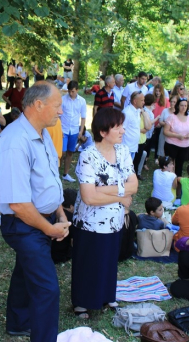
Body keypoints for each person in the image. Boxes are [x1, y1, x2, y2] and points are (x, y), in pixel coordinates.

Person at [0, 82, 70, 342]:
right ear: (38, 105)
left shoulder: (42, 133)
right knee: (48, 290)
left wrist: (59, 213)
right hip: (24, 224)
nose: (61, 111)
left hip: (42, 219)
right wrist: (50, 229)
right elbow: (20, 206)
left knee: (26, 271)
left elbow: (50, 180)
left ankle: (18, 322)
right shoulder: (15, 141)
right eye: (57, 105)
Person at [72, 107, 137, 319]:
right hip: (90, 221)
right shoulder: (88, 156)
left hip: (114, 220)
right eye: (117, 127)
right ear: (103, 132)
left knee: (109, 259)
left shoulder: (123, 151)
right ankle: (82, 302)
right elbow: (89, 197)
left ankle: (107, 296)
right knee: (89, 261)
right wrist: (120, 194)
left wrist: (106, 190)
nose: (122, 131)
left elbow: (134, 185)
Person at [61, 80, 87, 183]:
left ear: (77, 90)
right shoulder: (63, 100)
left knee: (70, 152)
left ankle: (65, 173)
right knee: (62, 152)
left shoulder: (82, 101)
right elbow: (59, 116)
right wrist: (60, 129)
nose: (71, 93)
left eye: (73, 91)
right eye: (69, 91)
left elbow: (83, 117)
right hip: (64, 129)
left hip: (74, 130)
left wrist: (80, 131)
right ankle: (55, 170)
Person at [163, 98, 189, 177]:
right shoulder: (172, 117)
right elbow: (165, 131)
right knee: (170, 164)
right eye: (181, 105)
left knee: (180, 165)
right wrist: (177, 135)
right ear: (178, 106)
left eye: (185, 106)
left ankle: (177, 182)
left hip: (184, 146)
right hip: (172, 144)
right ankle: (169, 180)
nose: (183, 107)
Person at [122, 91, 149, 175]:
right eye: (142, 100)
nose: (144, 102)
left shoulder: (137, 111)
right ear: (135, 101)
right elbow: (122, 129)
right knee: (124, 170)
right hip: (127, 148)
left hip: (133, 147)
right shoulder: (127, 112)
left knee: (129, 169)